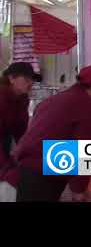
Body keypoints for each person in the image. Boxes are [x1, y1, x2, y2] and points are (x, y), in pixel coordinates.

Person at [0, 65, 91, 202]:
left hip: (28, 168)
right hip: (41, 173)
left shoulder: (58, 99)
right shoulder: (88, 105)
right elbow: (82, 149)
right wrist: (78, 189)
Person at [0, 62, 41, 202]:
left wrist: (25, 156)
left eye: (32, 80)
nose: (30, 83)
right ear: (11, 78)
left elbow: (21, 133)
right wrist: (6, 168)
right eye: (26, 79)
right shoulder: (2, 97)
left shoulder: (22, 99)